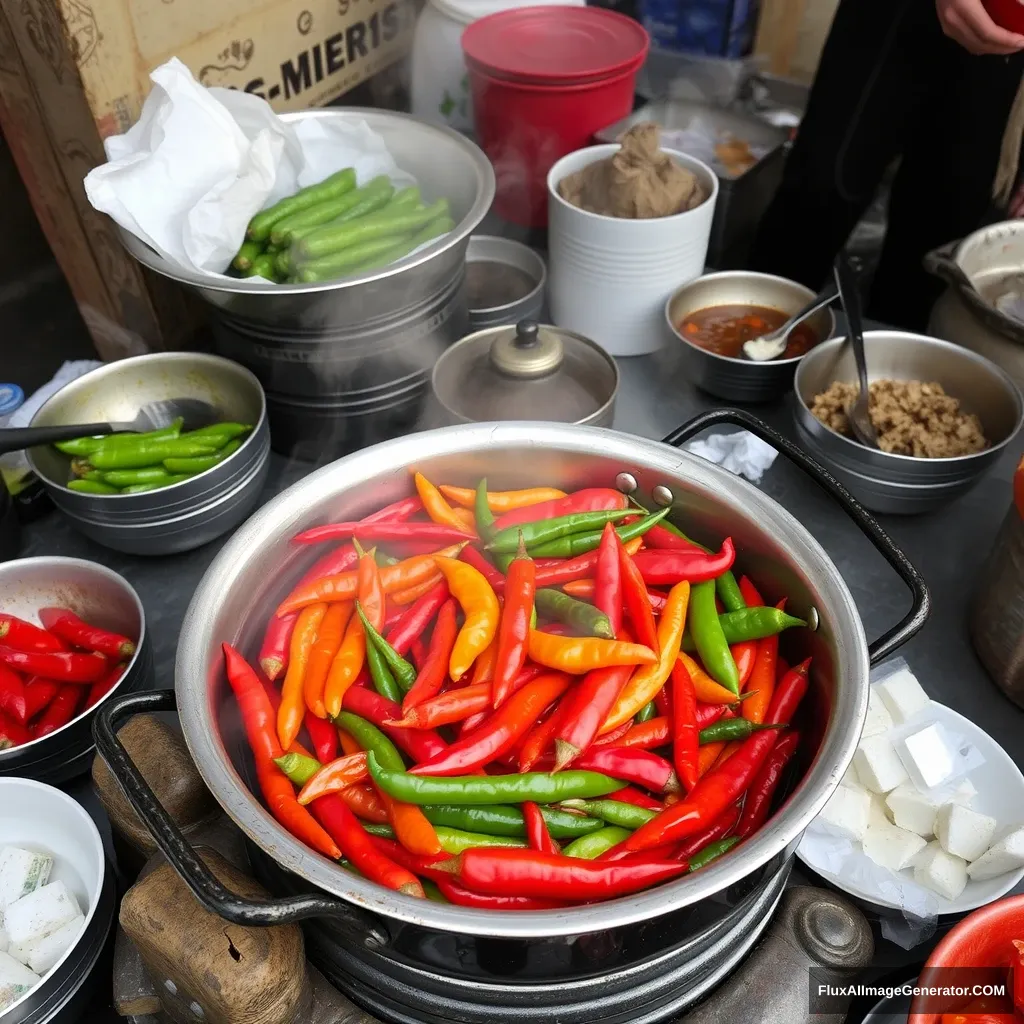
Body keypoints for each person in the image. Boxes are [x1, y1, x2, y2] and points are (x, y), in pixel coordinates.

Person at [747, 0, 1024, 331]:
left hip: (1009, 51)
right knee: (816, 199)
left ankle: (884, 370)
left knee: (935, 249)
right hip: (893, 14)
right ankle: (746, 342)